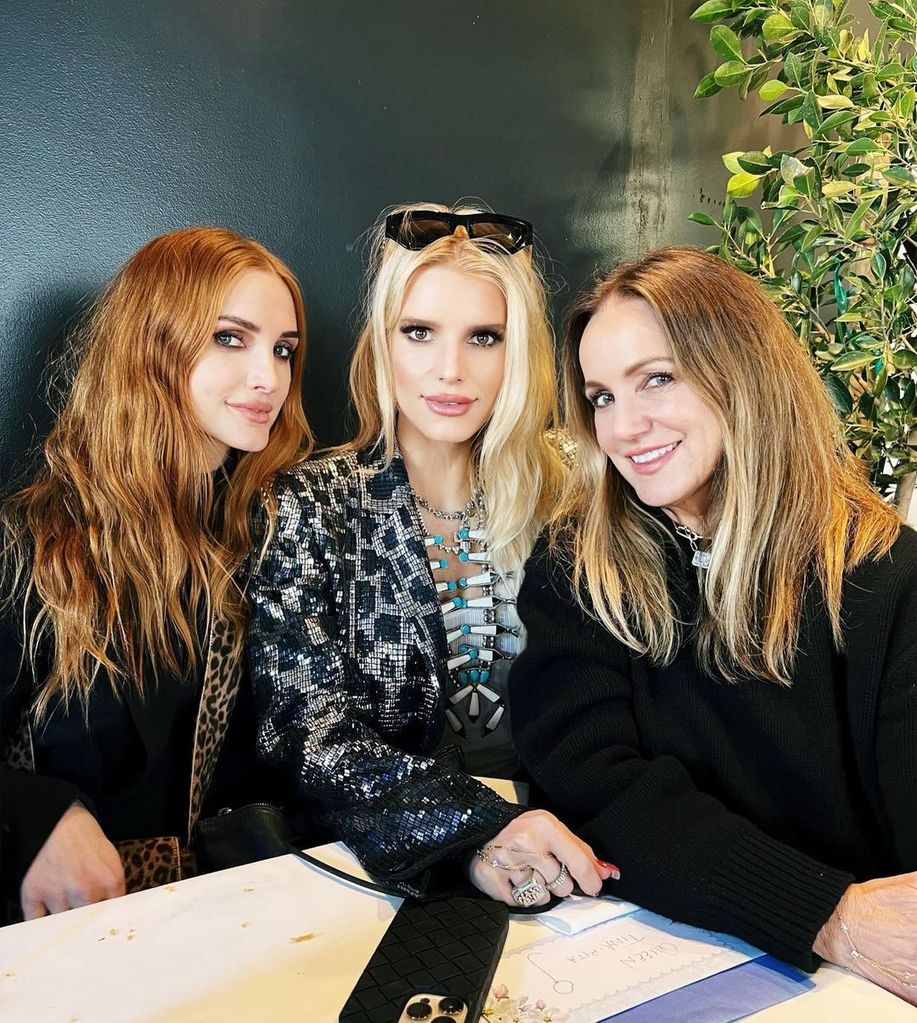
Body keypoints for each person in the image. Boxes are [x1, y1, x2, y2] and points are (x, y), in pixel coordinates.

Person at [509, 244, 917, 1000]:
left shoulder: (886, 575)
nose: (624, 427)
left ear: (743, 373)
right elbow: (587, 784)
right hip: (634, 964)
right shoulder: (577, 564)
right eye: (600, 396)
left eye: (656, 378)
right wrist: (821, 910)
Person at [248, 203, 614, 907]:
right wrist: (475, 830)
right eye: (419, 332)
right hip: (400, 873)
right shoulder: (310, 503)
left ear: (521, 351)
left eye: (484, 336)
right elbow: (306, 731)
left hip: (585, 853)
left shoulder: (577, 485)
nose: (450, 370)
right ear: (383, 344)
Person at [0, 226, 312, 921]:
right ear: (154, 342)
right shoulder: (32, 551)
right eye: (230, 337)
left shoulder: (262, 547)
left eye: (283, 349)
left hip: (217, 927)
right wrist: (39, 815)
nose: (269, 376)